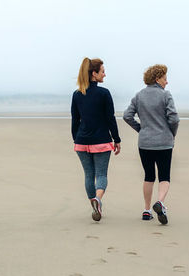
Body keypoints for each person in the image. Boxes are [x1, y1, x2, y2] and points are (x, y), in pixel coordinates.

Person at [123, 64, 179, 225]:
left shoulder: (139, 96)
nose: (166, 82)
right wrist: (171, 133)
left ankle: (147, 210)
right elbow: (174, 118)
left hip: (145, 142)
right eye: (165, 78)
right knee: (164, 176)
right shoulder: (165, 95)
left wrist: (141, 129)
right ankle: (160, 202)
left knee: (148, 176)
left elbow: (127, 116)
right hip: (164, 142)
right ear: (157, 79)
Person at [71, 57, 122, 222]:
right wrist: (117, 139)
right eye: (102, 71)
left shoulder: (77, 94)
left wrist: (76, 140)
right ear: (94, 73)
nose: (104, 74)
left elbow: (75, 121)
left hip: (81, 142)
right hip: (101, 141)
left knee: (88, 175)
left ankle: (94, 206)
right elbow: (110, 119)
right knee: (101, 174)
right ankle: (98, 200)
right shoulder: (104, 93)